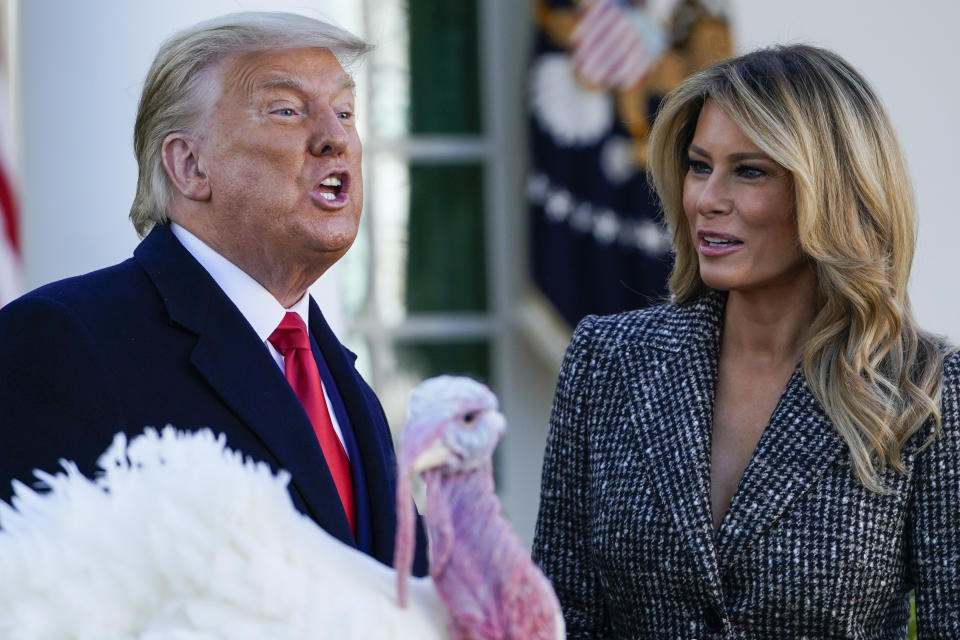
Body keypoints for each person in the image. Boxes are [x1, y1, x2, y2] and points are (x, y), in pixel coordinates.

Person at [532, 44, 960, 637]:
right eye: (699, 165)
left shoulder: (925, 387)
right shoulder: (608, 360)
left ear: (831, 192)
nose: (707, 200)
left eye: (749, 171)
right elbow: (557, 613)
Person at [0, 12, 426, 574]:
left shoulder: (340, 378)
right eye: (287, 110)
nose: (336, 137)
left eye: (345, 112)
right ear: (189, 165)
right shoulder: (62, 341)